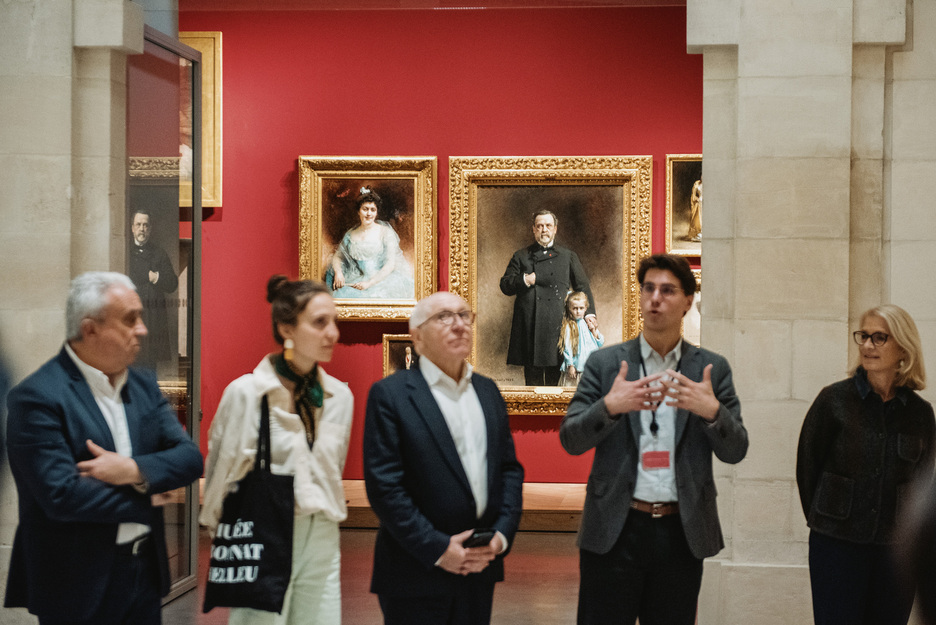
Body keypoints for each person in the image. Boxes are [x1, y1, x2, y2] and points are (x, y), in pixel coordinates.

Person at [4, 271, 203, 625]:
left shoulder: (143, 385)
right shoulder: (38, 396)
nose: (142, 329)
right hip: (75, 582)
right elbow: (61, 495)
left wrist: (133, 471)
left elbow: (188, 459)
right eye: (130, 319)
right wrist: (149, 492)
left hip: (143, 572)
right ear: (90, 329)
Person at [559, 253, 748, 625]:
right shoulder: (606, 364)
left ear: (688, 302)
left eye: (667, 290)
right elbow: (571, 440)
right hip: (615, 527)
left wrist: (712, 412)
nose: (655, 299)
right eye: (648, 289)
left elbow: (735, 449)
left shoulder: (710, 368)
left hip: (681, 533)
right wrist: (610, 406)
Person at [363, 291, 525, 625]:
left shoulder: (487, 391)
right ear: (417, 336)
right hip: (415, 571)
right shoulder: (391, 395)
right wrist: (438, 548)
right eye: (444, 317)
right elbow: (385, 488)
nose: (459, 325)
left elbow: (508, 471)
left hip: (480, 567)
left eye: (465, 315)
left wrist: (500, 537)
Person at [200, 275, 354, 625]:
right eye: (319, 323)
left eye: (334, 321)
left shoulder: (340, 397)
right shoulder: (247, 394)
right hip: (264, 529)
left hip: (324, 533)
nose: (333, 333)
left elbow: (331, 469)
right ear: (287, 328)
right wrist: (228, 539)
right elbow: (220, 475)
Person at [796, 304, 935, 625]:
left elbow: (923, 484)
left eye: (879, 338)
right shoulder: (832, 402)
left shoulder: (920, 413)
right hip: (836, 547)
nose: (868, 346)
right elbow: (808, 470)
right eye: (864, 336)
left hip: (895, 552)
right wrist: (829, 522)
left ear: (903, 347)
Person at [499, 209, 596, 386]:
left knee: (556, 381)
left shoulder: (568, 256)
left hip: (558, 325)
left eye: (548, 226)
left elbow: (582, 287)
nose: (544, 230)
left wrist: (589, 315)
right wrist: (525, 279)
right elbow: (505, 285)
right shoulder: (521, 256)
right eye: (540, 226)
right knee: (533, 382)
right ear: (534, 229)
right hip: (530, 325)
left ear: (555, 229)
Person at [326, 187, 414, 300]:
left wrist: (369, 283)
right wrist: (339, 273)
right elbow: (338, 256)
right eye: (365, 209)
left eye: (373, 210)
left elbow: (390, 264)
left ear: (376, 213)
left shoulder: (385, 232)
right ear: (358, 211)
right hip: (357, 279)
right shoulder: (351, 234)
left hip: (382, 280)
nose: (369, 214)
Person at [127, 209, 179, 370]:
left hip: (153, 319)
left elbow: (172, 284)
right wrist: (144, 274)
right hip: (130, 318)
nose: (142, 229)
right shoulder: (124, 252)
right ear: (132, 228)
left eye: (145, 225)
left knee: (149, 367)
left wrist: (155, 277)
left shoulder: (159, 253)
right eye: (138, 225)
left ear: (150, 229)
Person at [558, 290, 604, 387]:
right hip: (576, 366)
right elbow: (567, 348)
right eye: (575, 308)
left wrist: (594, 331)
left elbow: (599, 343)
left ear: (585, 308)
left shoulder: (587, 323)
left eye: (581, 308)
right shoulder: (569, 326)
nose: (578, 311)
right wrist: (570, 365)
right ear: (569, 309)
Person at [687, 177, 702, 242]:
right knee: (698, 218)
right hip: (700, 202)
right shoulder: (697, 183)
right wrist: (696, 198)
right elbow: (693, 194)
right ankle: (699, 233)